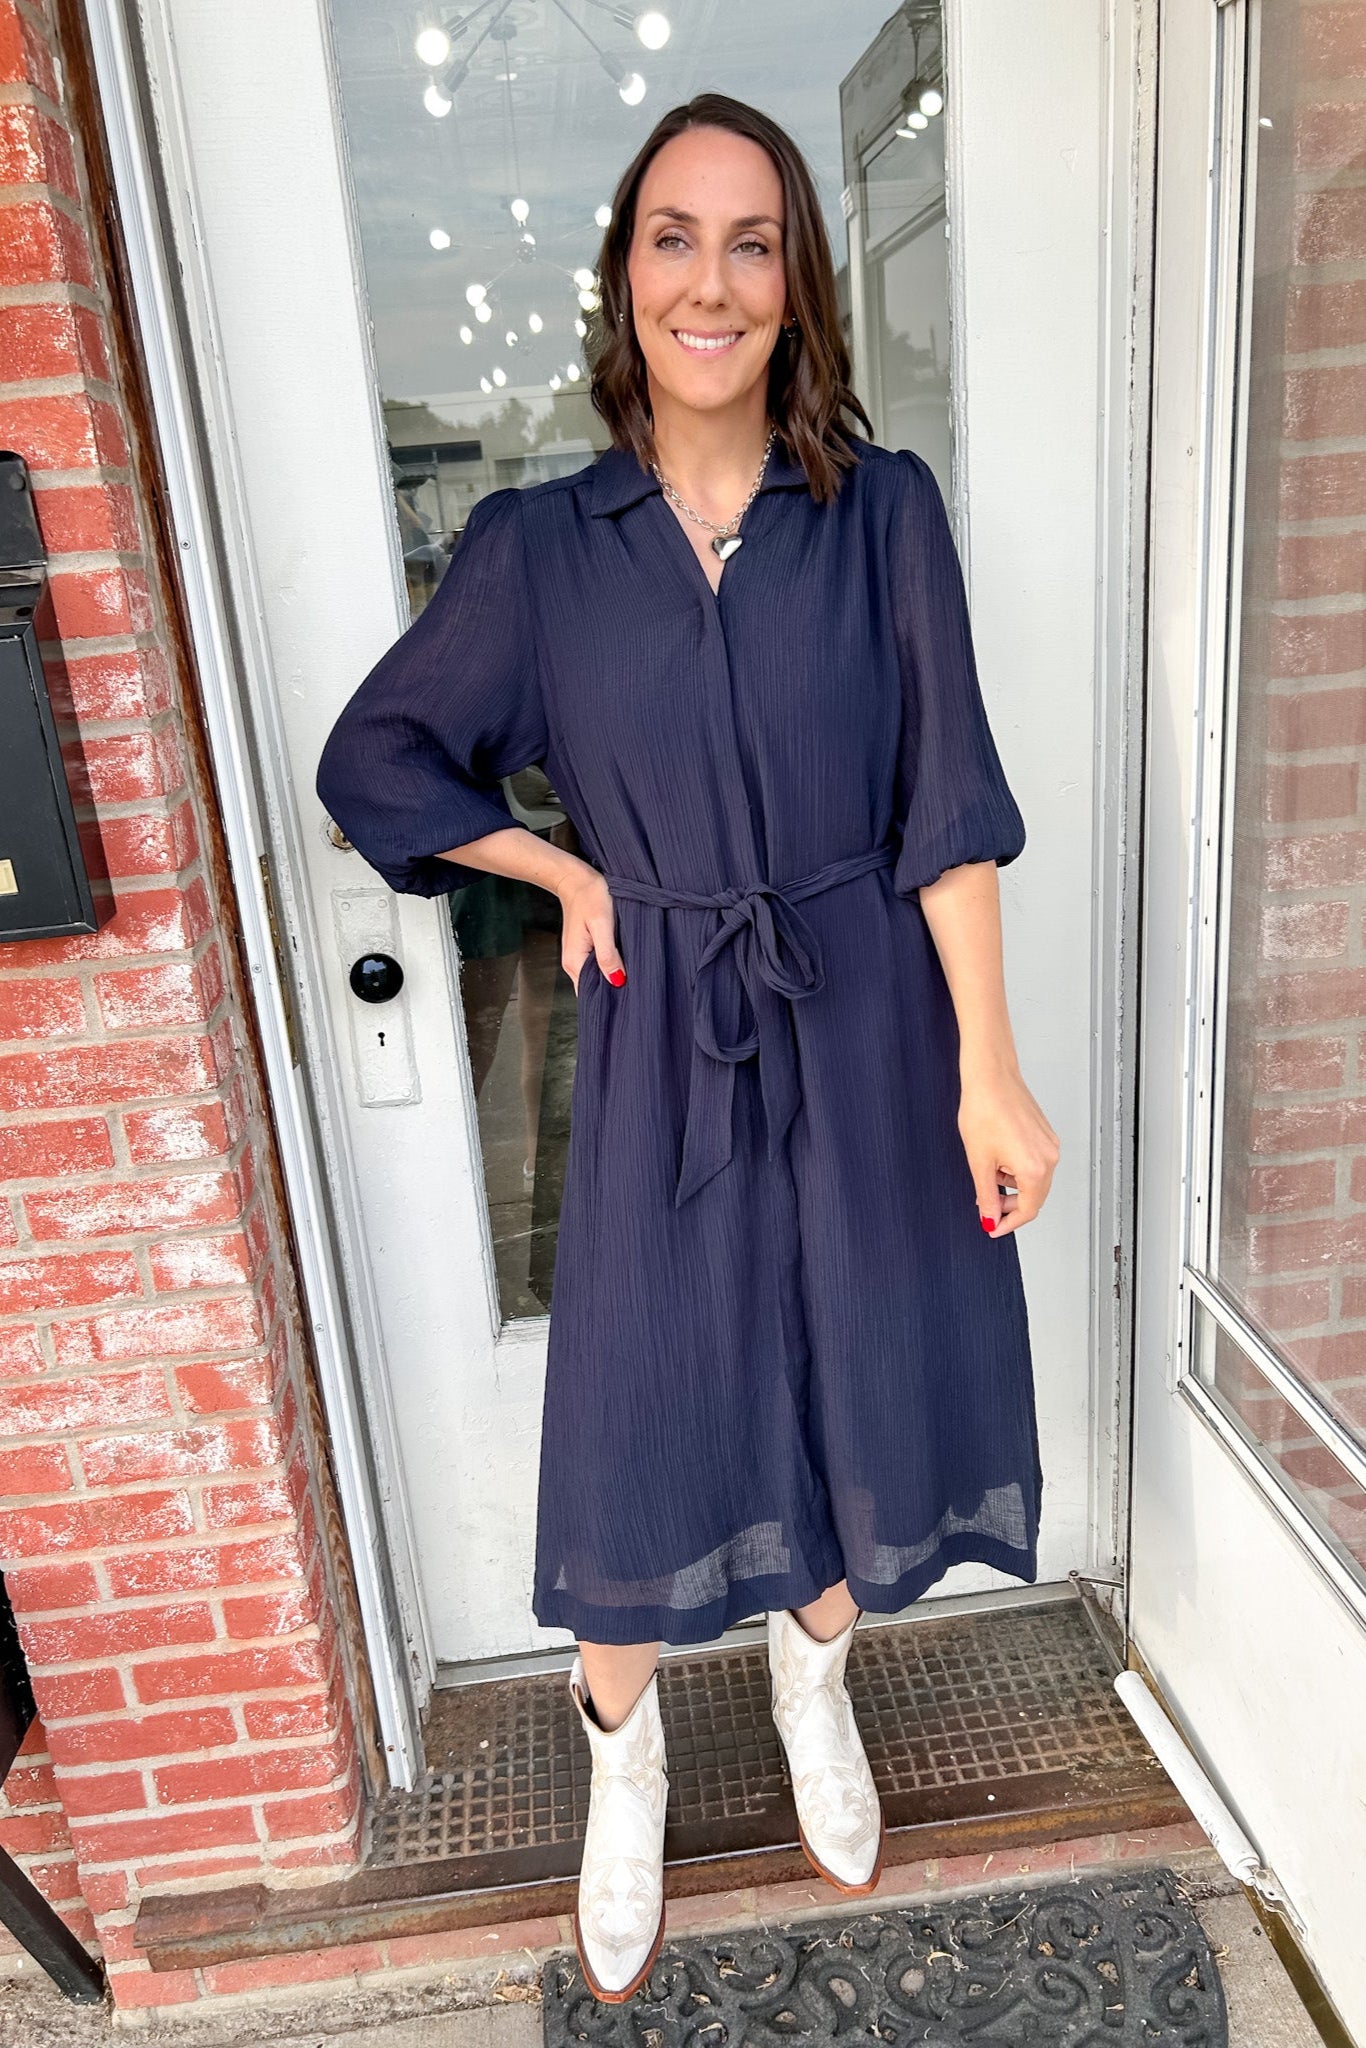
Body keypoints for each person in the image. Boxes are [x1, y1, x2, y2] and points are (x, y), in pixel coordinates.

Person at [316, 91, 1059, 2007]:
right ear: (622, 277)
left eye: (750, 241)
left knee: (848, 1376)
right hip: (667, 1044)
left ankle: (816, 1688)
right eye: (673, 238)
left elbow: (947, 809)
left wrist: (988, 1061)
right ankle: (620, 1756)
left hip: (869, 1018)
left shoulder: (879, 513)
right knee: (648, 1406)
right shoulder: (539, 549)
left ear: (797, 282)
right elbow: (375, 761)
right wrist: (553, 859)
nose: (709, 281)